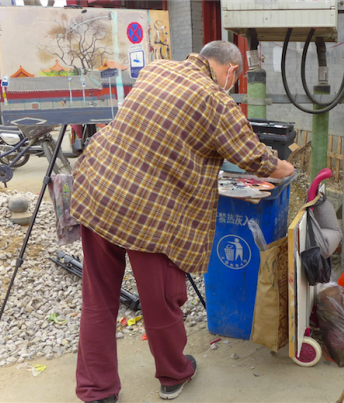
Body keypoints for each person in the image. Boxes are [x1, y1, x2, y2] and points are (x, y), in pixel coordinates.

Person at [70, 41, 295, 403]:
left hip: (98, 189)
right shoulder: (216, 100)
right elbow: (256, 158)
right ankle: (173, 375)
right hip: (151, 213)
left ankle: (96, 391)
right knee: (162, 300)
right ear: (231, 72)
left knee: (98, 298)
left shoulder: (157, 69)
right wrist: (289, 168)